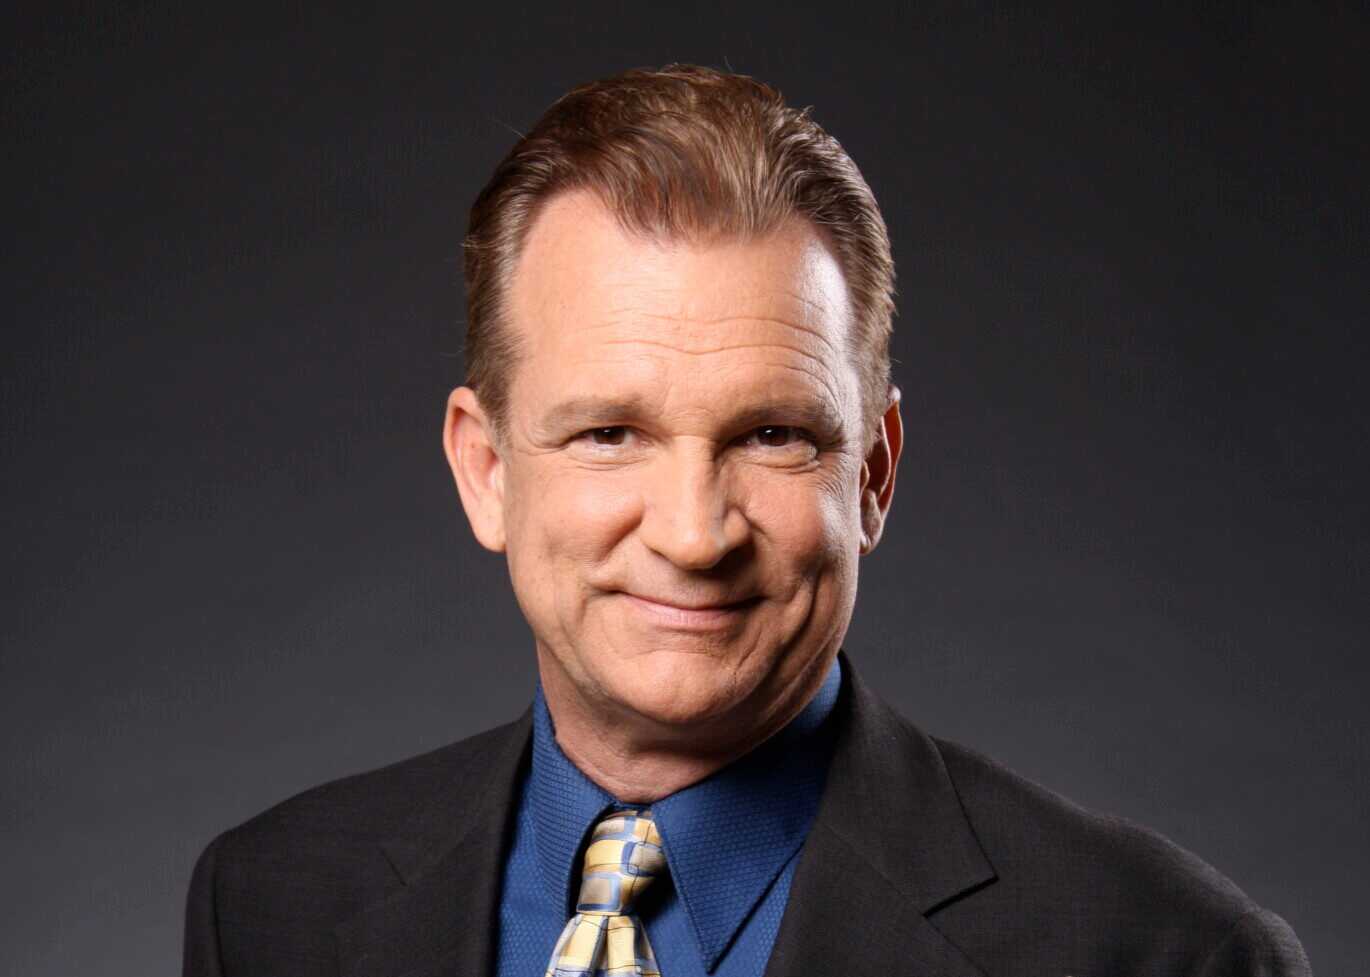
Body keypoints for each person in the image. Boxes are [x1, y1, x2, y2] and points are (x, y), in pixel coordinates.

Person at [182, 65, 1310, 977]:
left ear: (871, 472)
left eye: (772, 434)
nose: (691, 533)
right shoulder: (273, 906)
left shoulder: (1159, 953)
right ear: (485, 469)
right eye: (608, 432)